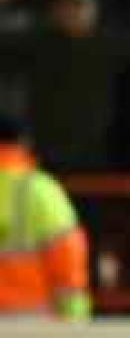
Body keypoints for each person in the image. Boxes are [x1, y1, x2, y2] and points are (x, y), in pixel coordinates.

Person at [0, 113, 91, 321]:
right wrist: (76, 325)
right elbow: (69, 260)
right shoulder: (41, 192)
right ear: (24, 143)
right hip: (33, 334)